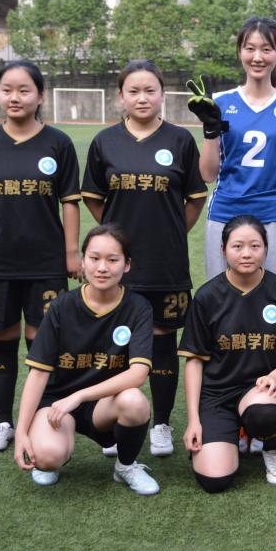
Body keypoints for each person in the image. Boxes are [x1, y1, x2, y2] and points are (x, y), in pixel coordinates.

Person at [81, 59, 208, 458]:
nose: (142, 98)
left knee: (163, 342)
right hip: (118, 268)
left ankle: (163, 424)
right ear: (121, 96)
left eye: (150, 90)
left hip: (167, 264)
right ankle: (116, 421)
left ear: (162, 95)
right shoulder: (105, 141)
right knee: (117, 343)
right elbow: (93, 197)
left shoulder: (180, 140)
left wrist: (171, 232)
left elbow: (195, 198)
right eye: (133, 91)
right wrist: (116, 243)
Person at [0, 59, 81, 453]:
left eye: (24, 90)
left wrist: (72, 253)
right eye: (7, 89)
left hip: (46, 263)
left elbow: (70, 202)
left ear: (40, 96)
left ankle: (41, 420)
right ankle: (3, 422)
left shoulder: (58, 143)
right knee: (2, 338)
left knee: (41, 342)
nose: (15, 97)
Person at [14, 224, 159, 495]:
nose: (102, 268)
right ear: (83, 261)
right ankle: (56, 451)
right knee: (46, 457)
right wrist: (21, 431)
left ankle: (125, 466)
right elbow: (39, 373)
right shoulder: (61, 306)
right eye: (94, 258)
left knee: (135, 402)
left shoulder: (138, 307)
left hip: (102, 405)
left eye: (112, 260)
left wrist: (79, 396)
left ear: (127, 265)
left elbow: (138, 373)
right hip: (57, 403)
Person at [192, 16, 276, 284]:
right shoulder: (218, 103)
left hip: (272, 213)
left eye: (266, 49)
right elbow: (207, 174)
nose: (257, 57)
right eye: (250, 48)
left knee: (274, 296)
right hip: (224, 211)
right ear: (239, 51)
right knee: (220, 297)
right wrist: (210, 130)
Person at [178, 215, 276, 492]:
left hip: (261, 390)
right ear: (223, 249)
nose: (246, 253)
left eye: (255, 246)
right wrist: (194, 420)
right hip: (217, 394)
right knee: (214, 480)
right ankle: (233, 432)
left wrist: (275, 377)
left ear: (266, 248)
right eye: (237, 246)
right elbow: (194, 362)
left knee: (265, 415)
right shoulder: (207, 297)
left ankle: (271, 447)